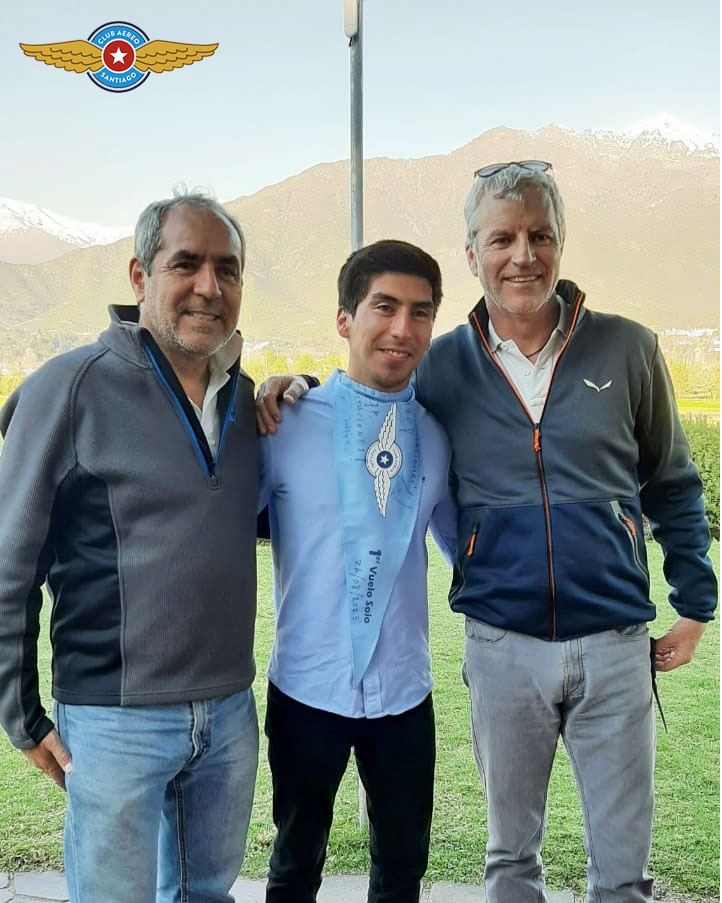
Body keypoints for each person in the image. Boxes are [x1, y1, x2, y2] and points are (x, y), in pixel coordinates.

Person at [256, 163, 717, 903]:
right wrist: (294, 387)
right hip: (500, 647)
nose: (522, 255)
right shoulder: (442, 365)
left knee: (622, 872)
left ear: (561, 241)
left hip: (615, 642)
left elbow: (671, 479)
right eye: (502, 238)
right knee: (508, 860)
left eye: (539, 235)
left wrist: (695, 601)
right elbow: (369, 393)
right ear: (474, 254)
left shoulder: (629, 348)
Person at [0, 192, 260, 903]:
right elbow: (11, 561)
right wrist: (20, 713)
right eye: (187, 264)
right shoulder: (69, 388)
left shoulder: (246, 401)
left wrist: (291, 392)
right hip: (113, 719)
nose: (209, 286)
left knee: (208, 892)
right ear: (141, 276)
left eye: (227, 269)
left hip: (229, 712)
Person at [258, 240, 456, 903]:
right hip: (306, 688)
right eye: (384, 306)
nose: (403, 327)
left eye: (420, 312)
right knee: (294, 865)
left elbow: (466, 547)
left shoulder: (437, 436)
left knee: (402, 871)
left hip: (404, 693)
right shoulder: (281, 423)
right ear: (344, 318)